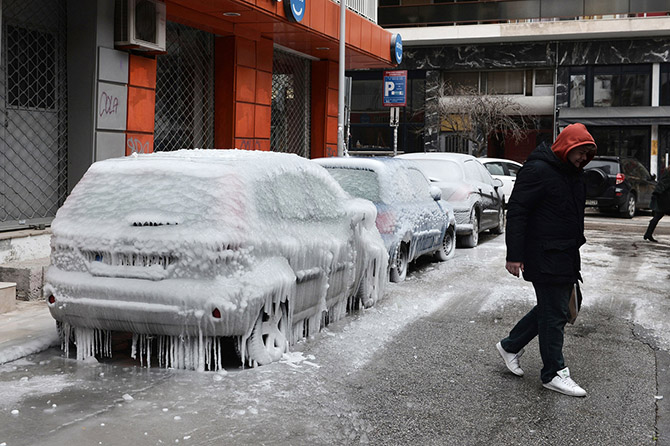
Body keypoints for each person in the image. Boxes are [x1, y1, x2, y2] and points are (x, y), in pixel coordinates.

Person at [496, 123, 596, 397]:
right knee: (554, 315)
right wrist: (514, 255)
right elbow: (517, 211)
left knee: (554, 309)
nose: (583, 159)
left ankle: (510, 345)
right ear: (567, 146)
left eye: (588, 154)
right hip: (543, 255)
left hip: (565, 254)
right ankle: (553, 373)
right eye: (580, 152)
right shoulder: (538, 170)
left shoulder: (571, 173)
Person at [643, 168, 670, 242]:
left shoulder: (667, 171)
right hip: (665, 198)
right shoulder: (668, 172)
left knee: (658, 216)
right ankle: (648, 234)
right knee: (657, 216)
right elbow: (663, 184)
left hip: (664, 198)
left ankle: (648, 234)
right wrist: (657, 193)